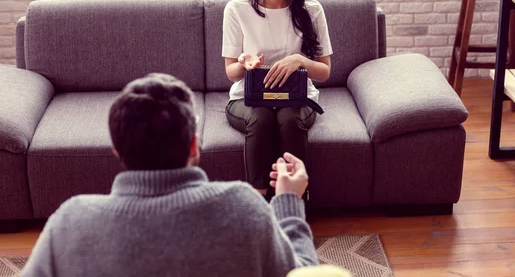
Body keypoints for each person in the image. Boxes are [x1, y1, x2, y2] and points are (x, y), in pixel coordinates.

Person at [21, 73, 318, 277]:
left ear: (116, 150)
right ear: (193, 145)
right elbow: (302, 273)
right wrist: (289, 202)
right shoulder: (243, 207)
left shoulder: (70, 222)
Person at [223, 0, 333, 197]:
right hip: (247, 97)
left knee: (288, 118)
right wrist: (243, 63)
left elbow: (325, 71)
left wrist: (300, 61)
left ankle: (294, 199)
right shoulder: (237, 10)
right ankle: (258, 200)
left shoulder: (312, 10)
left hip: (296, 97)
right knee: (260, 119)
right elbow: (230, 73)